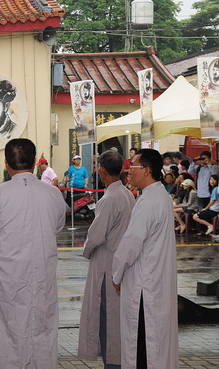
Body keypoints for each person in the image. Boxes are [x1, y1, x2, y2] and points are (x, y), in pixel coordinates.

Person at [0, 138, 65, 368]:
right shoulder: (53, 195)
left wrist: (4, 259)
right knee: (41, 332)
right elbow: (55, 229)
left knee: (7, 333)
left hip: (8, 280)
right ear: (35, 162)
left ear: (6, 163)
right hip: (41, 277)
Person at [112, 149, 178, 369]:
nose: (129, 171)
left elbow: (131, 243)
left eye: (134, 166)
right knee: (154, 346)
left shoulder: (149, 200)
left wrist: (117, 274)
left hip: (144, 289)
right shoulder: (160, 196)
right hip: (155, 283)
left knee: (144, 348)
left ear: (148, 170)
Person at [78, 150, 135, 369]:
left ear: (101, 170)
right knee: (117, 320)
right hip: (122, 264)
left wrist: (87, 249)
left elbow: (95, 236)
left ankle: (112, 364)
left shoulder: (110, 198)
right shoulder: (127, 195)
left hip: (107, 267)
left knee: (106, 320)